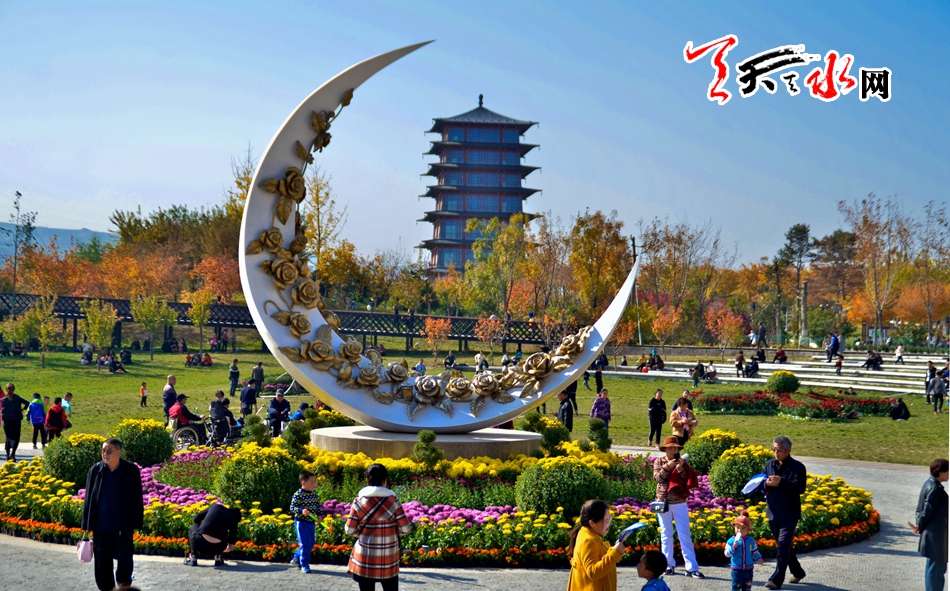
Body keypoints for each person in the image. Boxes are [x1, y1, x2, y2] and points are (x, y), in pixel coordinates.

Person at [81, 438, 144, 591]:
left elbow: (137, 497)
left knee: (125, 560)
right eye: (103, 451)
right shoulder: (95, 470)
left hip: (122, 525)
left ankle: (123, 587)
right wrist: (86, 524)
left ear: (118, 452)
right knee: (102, 563)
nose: (105, 454)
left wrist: (137, 522)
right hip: (101, 526)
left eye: (109, 451)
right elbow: (89, 498)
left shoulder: (131, 470)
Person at [345, 463, 411, 591]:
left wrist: (362, 533)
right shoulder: (393, 501)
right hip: (388, 557)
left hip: (365, 556)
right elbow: (405, 529)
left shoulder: (359, 501)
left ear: (367, 480)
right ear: (384, 480)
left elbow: (349, 530)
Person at [653, 436, 703, 578]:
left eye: (676, 448)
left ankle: (691, 567)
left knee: (684, 535)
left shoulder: (682, 462)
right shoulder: (659, 461)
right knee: (666, 534)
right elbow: (658, 478)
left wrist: (680, 468)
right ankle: (668, 564)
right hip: (663, 502)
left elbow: (687, 480)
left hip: (679, 502)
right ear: (665, 449)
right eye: (671, 448)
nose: (674, 450)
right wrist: (668, 466)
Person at [763, 435, 807, 589]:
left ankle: (776, 580)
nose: (775, 452)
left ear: (788, 450)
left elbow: (800, 488)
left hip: (789, 514)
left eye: (779, 450)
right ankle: (798, 572)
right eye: (774, 449)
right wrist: (766, 483)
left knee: (782, 546)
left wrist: (781, 482)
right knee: (784, 546)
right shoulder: (769, 464)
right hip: (773, 512)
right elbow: (762, 481)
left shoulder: (797, 467)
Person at [566, 499, 624, 591]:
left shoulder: (589, 534)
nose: (609, 524)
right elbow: (593, 572)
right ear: (592, 523)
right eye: (606, 521)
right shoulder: (587, 540)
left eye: (609, 519)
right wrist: (614, 554)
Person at [913, 458, 948, 591]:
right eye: (948, 471)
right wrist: (920, 527)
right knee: (936, 569)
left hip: (932, 533)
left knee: (933, 567)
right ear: (940, 472)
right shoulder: (935, 489)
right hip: (935, 534)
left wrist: (919, 525)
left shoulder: (929, 483)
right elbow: (926, 512)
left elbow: (919, 510)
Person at [184, 502, 240, 567]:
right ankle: (218, 557)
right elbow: (231, 547)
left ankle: (193, 557)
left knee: (194, 526)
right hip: (217, 548)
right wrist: (222, 550)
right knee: (224, 536)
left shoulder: (215, 507)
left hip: (199, 542)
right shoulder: (233, 520)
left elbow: (196, 519)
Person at [289, 471, 323, 573]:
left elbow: (317, 506)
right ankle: (304, 565)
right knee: (305, 544)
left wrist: (319, 515)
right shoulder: (298, 494)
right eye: (312, 482)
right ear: (303, 483)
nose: (314, 484)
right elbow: (292, 508)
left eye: (315, 482)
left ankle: (296, 558)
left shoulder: (314, 494)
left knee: (310, 543)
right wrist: (301, 511)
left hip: (311, 523)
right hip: (301, 523)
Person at [725, 510, 765, 591]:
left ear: (748, 530)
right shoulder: (731, 541)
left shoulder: (750, 540)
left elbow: (754, 551)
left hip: (749, 569)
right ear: (734, 527)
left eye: (743, 528)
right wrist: (733, 548)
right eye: (737, 528)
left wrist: (758, 558)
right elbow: (727, 553)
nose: (739, 530)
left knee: (747, 588)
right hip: (737, 570)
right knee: (736, 587)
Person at [2, 386, 29, 461]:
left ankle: (7, 454)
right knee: (16, 437)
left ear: (6, 390)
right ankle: (13, 453)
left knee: (8, 437)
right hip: (16, 420)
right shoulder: (18, 398)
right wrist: (22, 410)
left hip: (7, 420)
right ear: (14, 390)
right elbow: (27, 403)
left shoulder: (3, 400)